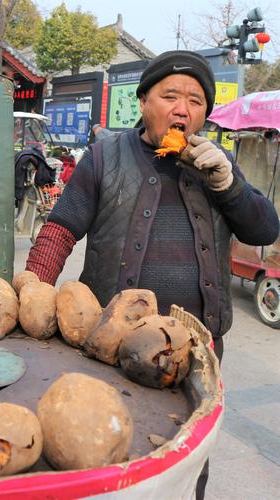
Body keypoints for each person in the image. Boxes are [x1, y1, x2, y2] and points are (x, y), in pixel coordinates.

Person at [25, 51, 279, 499]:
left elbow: (264, 228)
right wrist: (32, 294)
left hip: (199, 350)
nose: (183, 108)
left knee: (186, 462)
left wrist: (229, 186)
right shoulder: (105, 156)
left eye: (197, 100)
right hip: (111, 345)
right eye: (170, 95)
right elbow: (60, 230)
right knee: (111, 454)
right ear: (143, 102)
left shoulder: (216, 163)